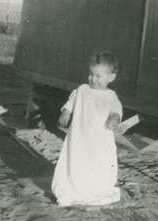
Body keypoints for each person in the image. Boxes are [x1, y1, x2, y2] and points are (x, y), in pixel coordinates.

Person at [52, 50, 123, 207]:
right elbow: (72, 100)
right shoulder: (83, 89)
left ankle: (96, 189)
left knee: (100, 164)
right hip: (79, 137)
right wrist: (66, 111)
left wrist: (114, 118)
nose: (93, 79)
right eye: (91, 74)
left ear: (111, 77)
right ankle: (76, 188)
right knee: (77, 162)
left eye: (99, 76)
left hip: (100, 140)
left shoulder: (111, 96)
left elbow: (116, 110)